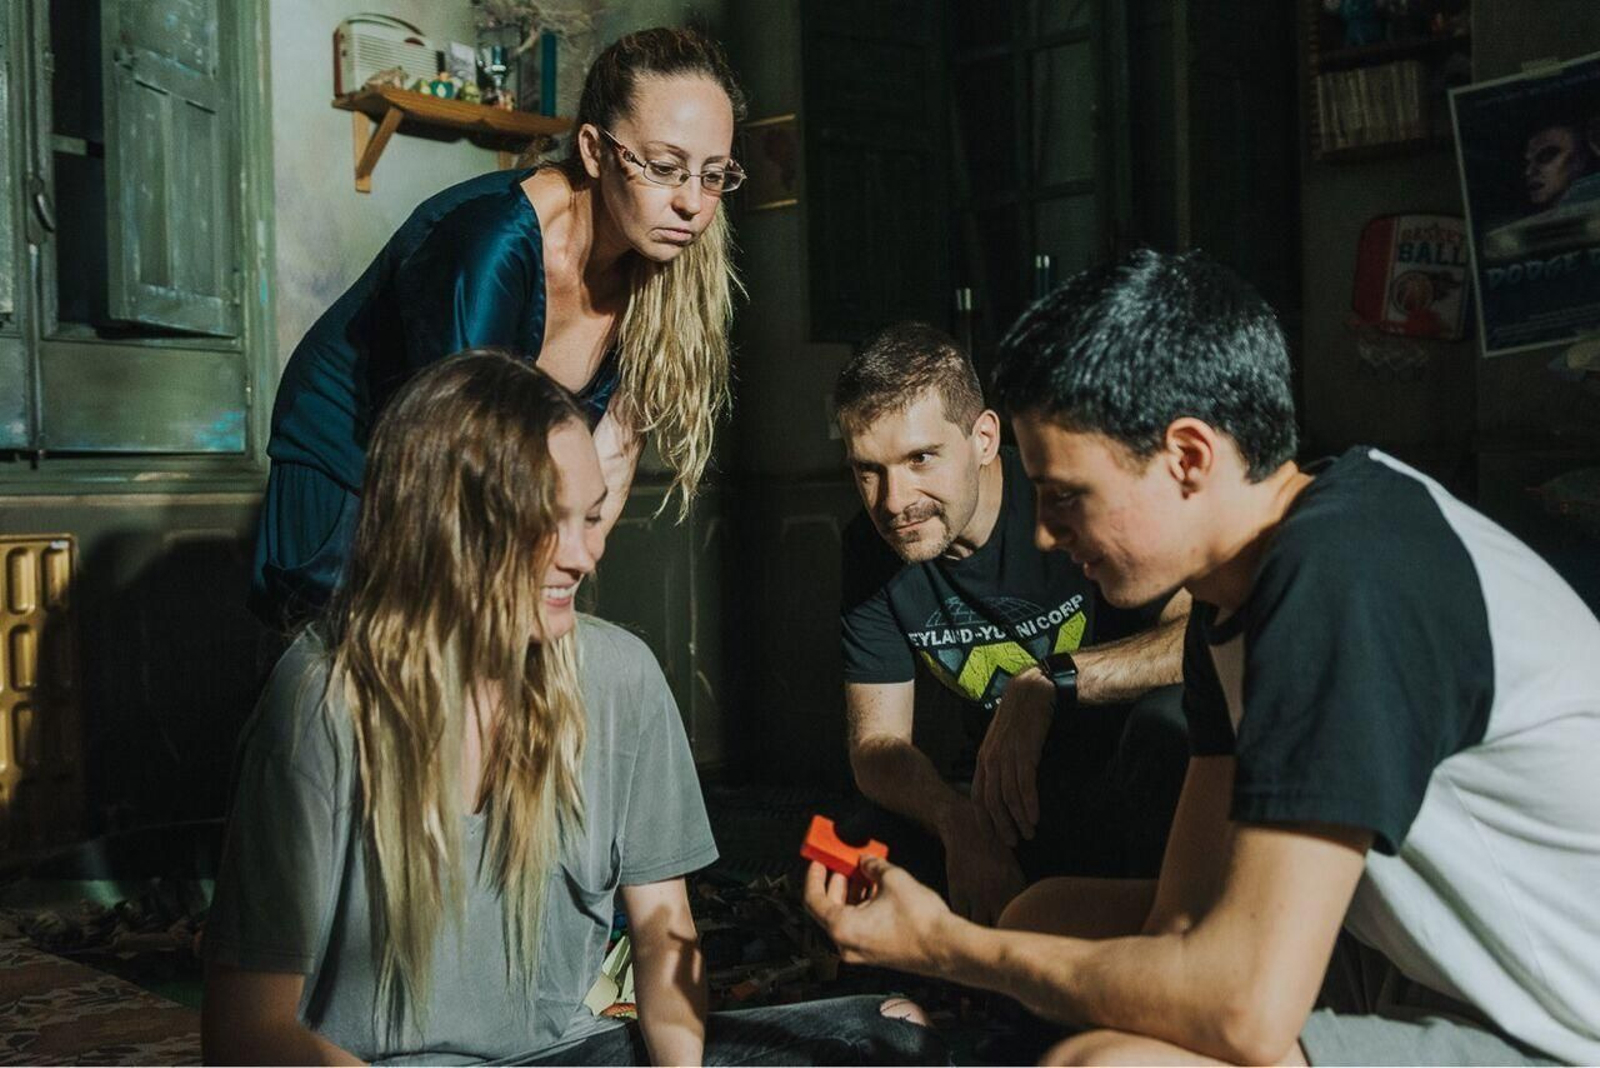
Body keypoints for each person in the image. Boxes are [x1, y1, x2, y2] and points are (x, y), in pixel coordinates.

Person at [805, 250, 1600, 1065]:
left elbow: (1240, 1009)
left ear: (1188, 458)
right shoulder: (1230, 603)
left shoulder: (1344, 576)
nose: (1044, 532)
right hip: (1412, 962)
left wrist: (945, 945)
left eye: (1066, 496)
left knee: (1105, 1065)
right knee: (1041, 913)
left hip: (1558, 1024)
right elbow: (1179, 923)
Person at [204, 351, 947, 1065]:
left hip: (569, 1055)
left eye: (590, 519)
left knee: (888, 1034)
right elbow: (247, 1032)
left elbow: (662, 931)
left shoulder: (619, 674)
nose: (581, 557)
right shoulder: (323, 694)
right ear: (449, 526)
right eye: (545, 523)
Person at [251, 27, 746, 628]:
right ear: (593, 150)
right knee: (372, 682)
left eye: (714, 174)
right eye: (666, 167)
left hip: (478, 487)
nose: (693, 203)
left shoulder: (662, 273)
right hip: (354, 468)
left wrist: (567, 568)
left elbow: (607, 462)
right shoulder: (489, 246)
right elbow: (457, 457)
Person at [833, 322, 1190, 926]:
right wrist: (958, 822)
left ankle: (1173, 949)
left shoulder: (1069, 494)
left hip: (1133, 786)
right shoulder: (872, 551)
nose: (894, 501)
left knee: (1169, 726)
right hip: (1010, 802)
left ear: (983, 438)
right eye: (869, 470)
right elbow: (875, 746)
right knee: (857, 848)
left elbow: (1198, 636)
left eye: (921, 459)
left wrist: (1049, 681)